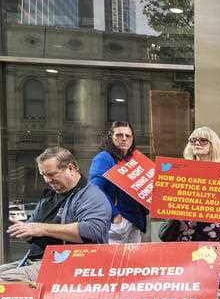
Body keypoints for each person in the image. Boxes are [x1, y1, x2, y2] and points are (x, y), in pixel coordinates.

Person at [0, 147, 112, 282]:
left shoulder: (91, 195)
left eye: (51, 174)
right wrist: (25, 230)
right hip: (36, 259)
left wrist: (41, 228)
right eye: (43, 175)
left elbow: (92, 230)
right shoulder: (49, 197)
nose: (47, 180)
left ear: (71, 168)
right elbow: (33, 228)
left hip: (70, 263)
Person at [159, 127, 220, 270]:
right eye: (193, 140)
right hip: (187, 230)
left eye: (203, 140)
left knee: (212, 274)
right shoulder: (179, 170)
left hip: (216, 232)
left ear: (213, 145)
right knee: (188, 275)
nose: (197, 143)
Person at [88, 121, 149, 244]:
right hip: (117, 221)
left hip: (135, 221)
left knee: (132, 262)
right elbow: (94, 190)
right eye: (119, 135)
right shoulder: (104, 158)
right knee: (113, 261)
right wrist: (115, 215)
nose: (124, 139)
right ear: (111, 137)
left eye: (128, 136)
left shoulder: (134, 159)